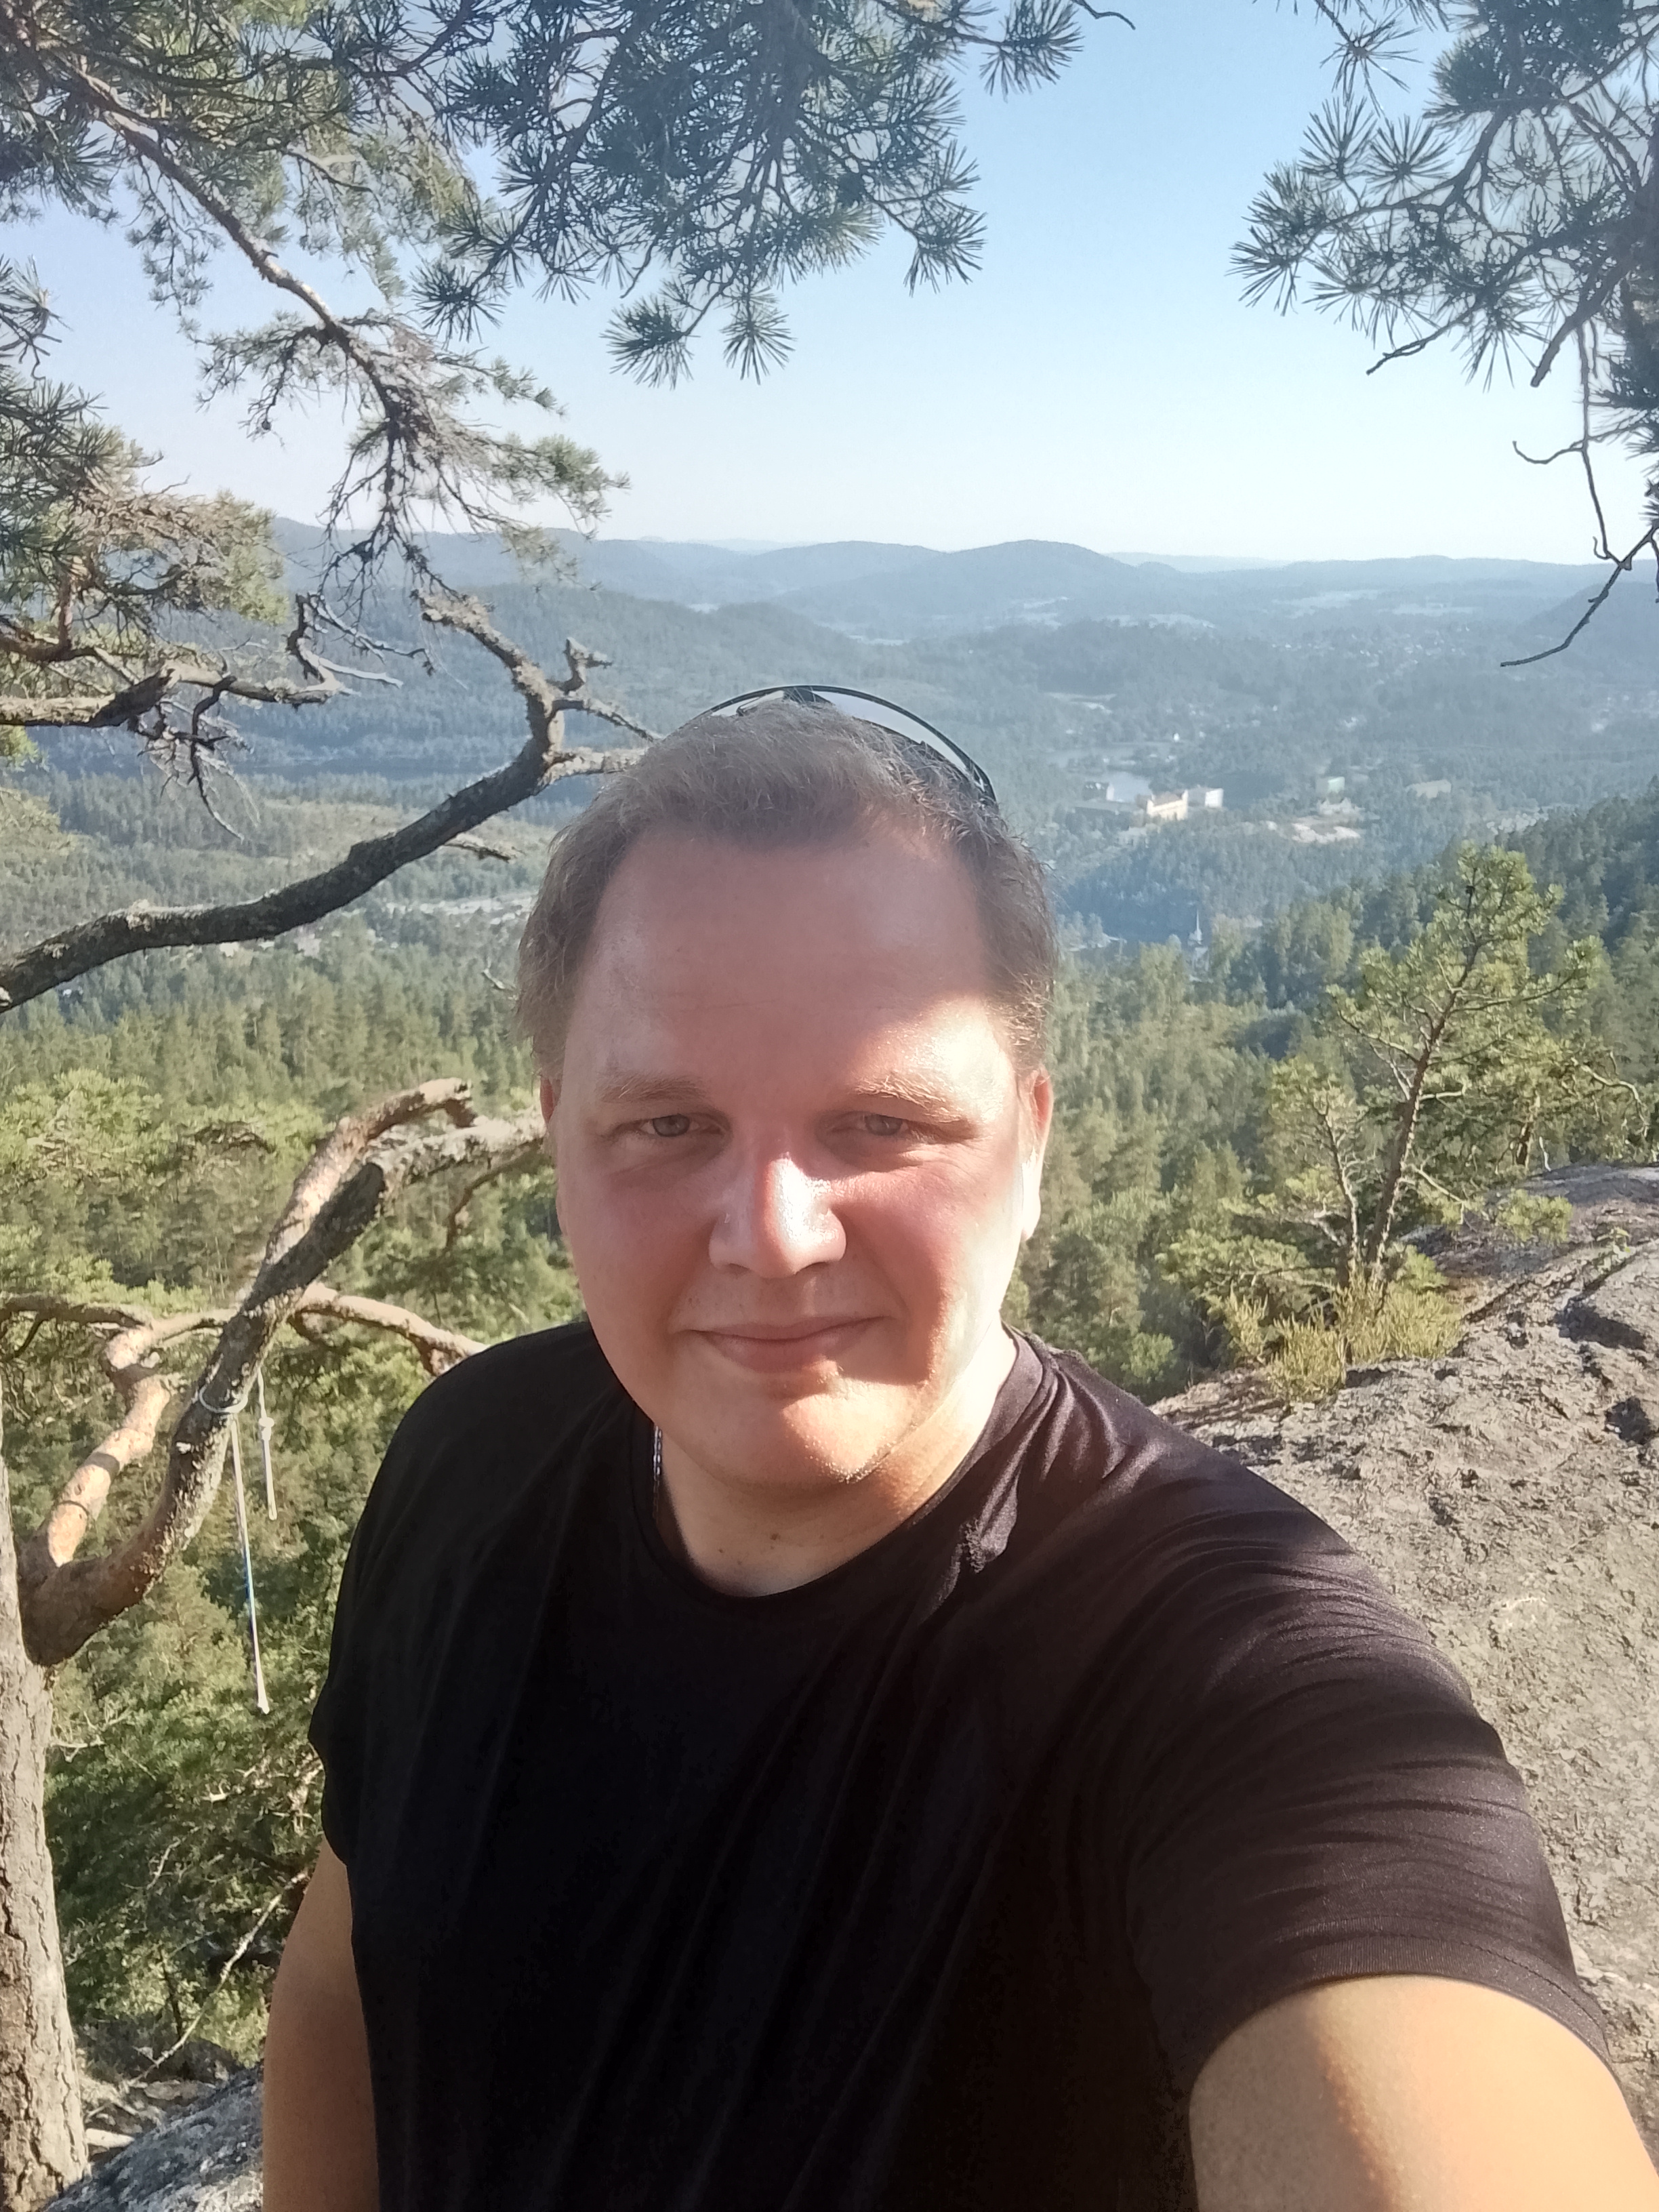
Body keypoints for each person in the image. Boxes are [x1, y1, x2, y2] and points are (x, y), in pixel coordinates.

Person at [264, 692, 1659, 2212]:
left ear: (1030, 1146)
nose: (773, 1237)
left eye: (880, 1122)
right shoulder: (470, 1462)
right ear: (559, 1140)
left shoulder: (1223, 1679)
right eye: (668, 1125)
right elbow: (342, 1996)